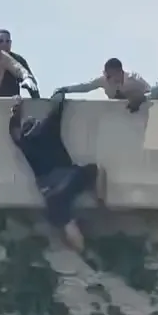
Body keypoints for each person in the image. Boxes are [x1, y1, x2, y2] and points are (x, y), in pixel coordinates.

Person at [9, 92, 107, 253]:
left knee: (67, 222)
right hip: (69, 177)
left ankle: (82, 253)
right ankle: (101, 204)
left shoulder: (25, 143)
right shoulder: (49, 129)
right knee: (96, 169)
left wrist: (16, 111)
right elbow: (59, 104)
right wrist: (60, 93)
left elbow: (13, 130)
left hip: (49, 192)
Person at [54, 58, 149, 102]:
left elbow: (153, 93)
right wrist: (65, 89)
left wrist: (141, 98)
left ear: (119, 72)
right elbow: (86, 86)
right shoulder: (103, 80)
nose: (107, 79)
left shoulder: (134, 79)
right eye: (106, 75)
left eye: (109, 76)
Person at [0, 29, 40, 97]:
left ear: (10, 43)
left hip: (12, 101)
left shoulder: (18, 59)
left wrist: (37, 102)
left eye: (7, 41)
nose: (4, 44)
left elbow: (32, 84)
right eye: (1, 41)